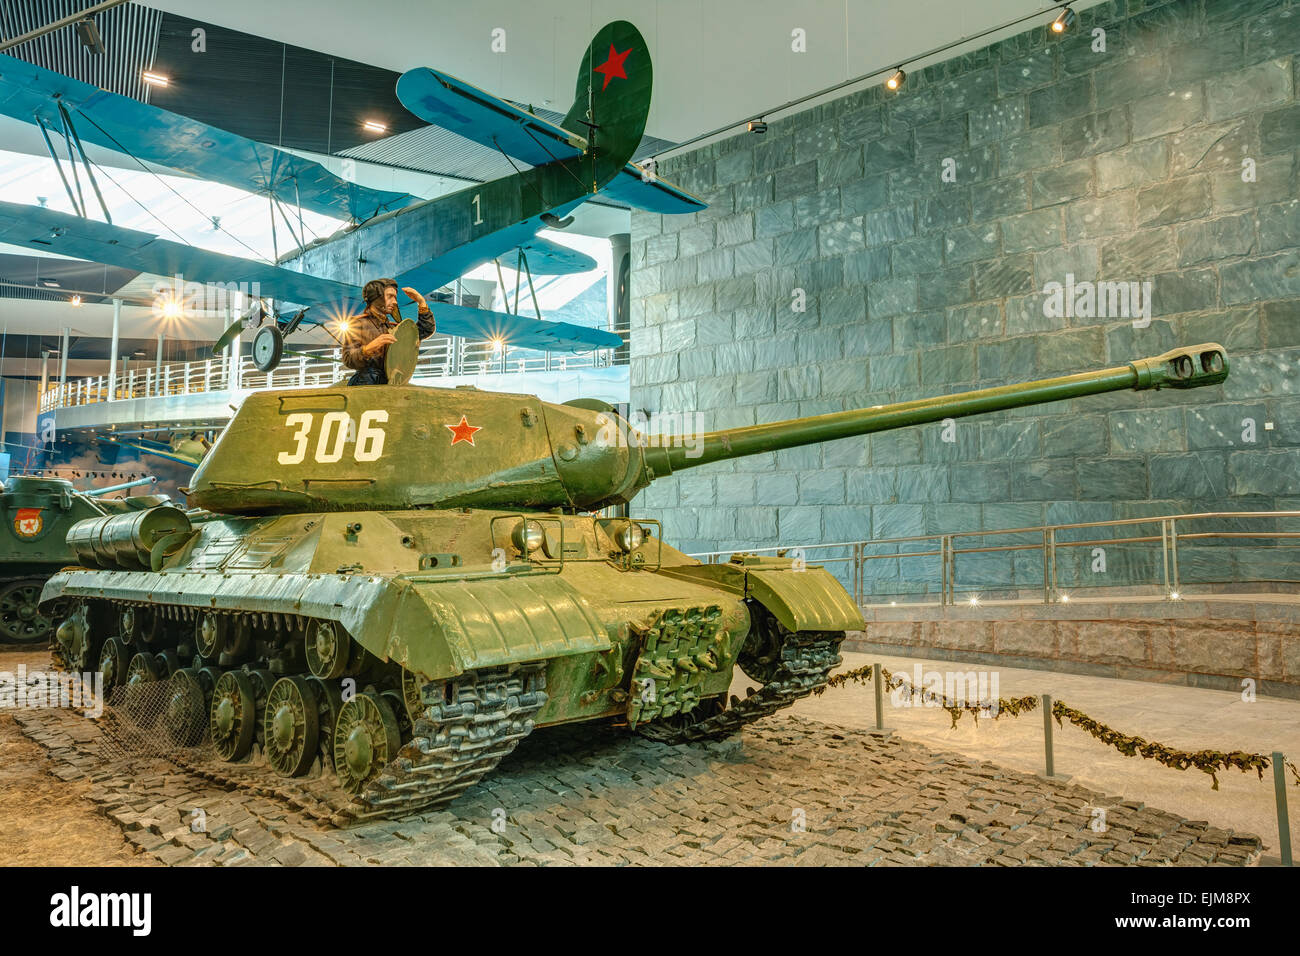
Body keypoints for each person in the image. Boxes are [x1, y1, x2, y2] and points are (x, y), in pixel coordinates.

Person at [340, 278, 435, 385]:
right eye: (390, 296)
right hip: (367, 382)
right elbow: (348, 358)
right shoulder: (358, 324)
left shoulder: (394, 328)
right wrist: (369, 348)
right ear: (376, 297)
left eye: (395, 297)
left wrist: (421, 302)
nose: (394, 302)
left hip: (391, 381)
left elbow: (424, 330)